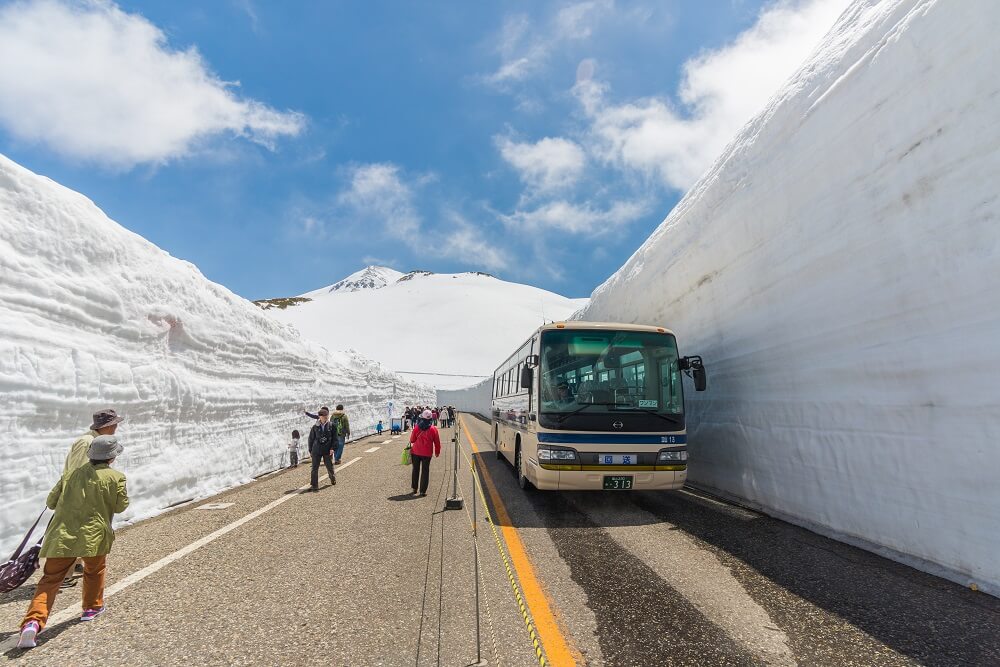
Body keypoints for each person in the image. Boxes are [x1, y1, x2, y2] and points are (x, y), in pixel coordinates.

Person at [17, 435, 130, 649]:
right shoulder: (117, 477)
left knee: (50, 580)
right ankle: (91, 608)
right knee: (94, 571)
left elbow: (51, 502)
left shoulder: (70, 475)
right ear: (111, 458)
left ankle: (32, 622)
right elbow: (121, 506)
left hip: (63, 536)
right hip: (94, 536)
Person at [64, 409, 124, 475]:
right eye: (115, 423)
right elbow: (76, 473)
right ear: (109, 426)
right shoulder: (87, 442)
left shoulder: (99, 440)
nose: (116, 426)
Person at [409, 409, 441, 497]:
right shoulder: (433, 429)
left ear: (422, 418)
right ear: (431, 419)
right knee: (425, 471)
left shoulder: (417, 427)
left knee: (415, 469)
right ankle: (422, 491)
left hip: (416, 452)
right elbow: (437, 442)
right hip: (427, 453)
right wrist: (437, 451)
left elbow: (412, 440)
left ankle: (414, 488)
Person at [308, 408, 337, 491]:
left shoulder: (332, 426)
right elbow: (311, 439)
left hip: (327, 450)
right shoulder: (315, 427)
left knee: (329, 466)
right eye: (323, 416)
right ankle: (314, 485)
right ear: (319, 417)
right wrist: (310, 450)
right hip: (316, 450)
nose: (325, 417)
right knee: (314, 468)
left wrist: (332, 448)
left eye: (326, 416)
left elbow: (335, 438)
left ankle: (332, 478)